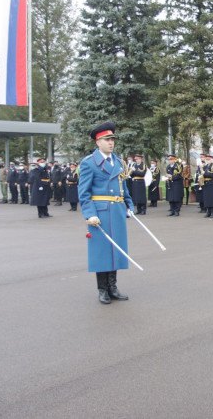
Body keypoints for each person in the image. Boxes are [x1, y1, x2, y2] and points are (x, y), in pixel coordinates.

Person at [78, 122, 134, 305]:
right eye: (107, 139)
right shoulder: (89, 163)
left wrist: (129, 205)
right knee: (101, 251)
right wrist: (89, 214)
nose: (111, 143)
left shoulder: (118, 162)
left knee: (115, 250)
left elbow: (123, 187)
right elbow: (84, 193)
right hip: (99, 213)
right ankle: (102, 289)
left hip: (117, 211)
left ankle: (113, 287)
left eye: (112, 140)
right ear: (98, 142)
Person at [202, 153, 213, 218]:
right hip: (205, 184)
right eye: (207, 159)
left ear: (211, 160)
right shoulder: (205, 167)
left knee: (212, 198)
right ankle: (208, 212)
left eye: (209, 159)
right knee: (207, 198)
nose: (207, 160)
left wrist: (205, 173)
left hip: (211, 183)